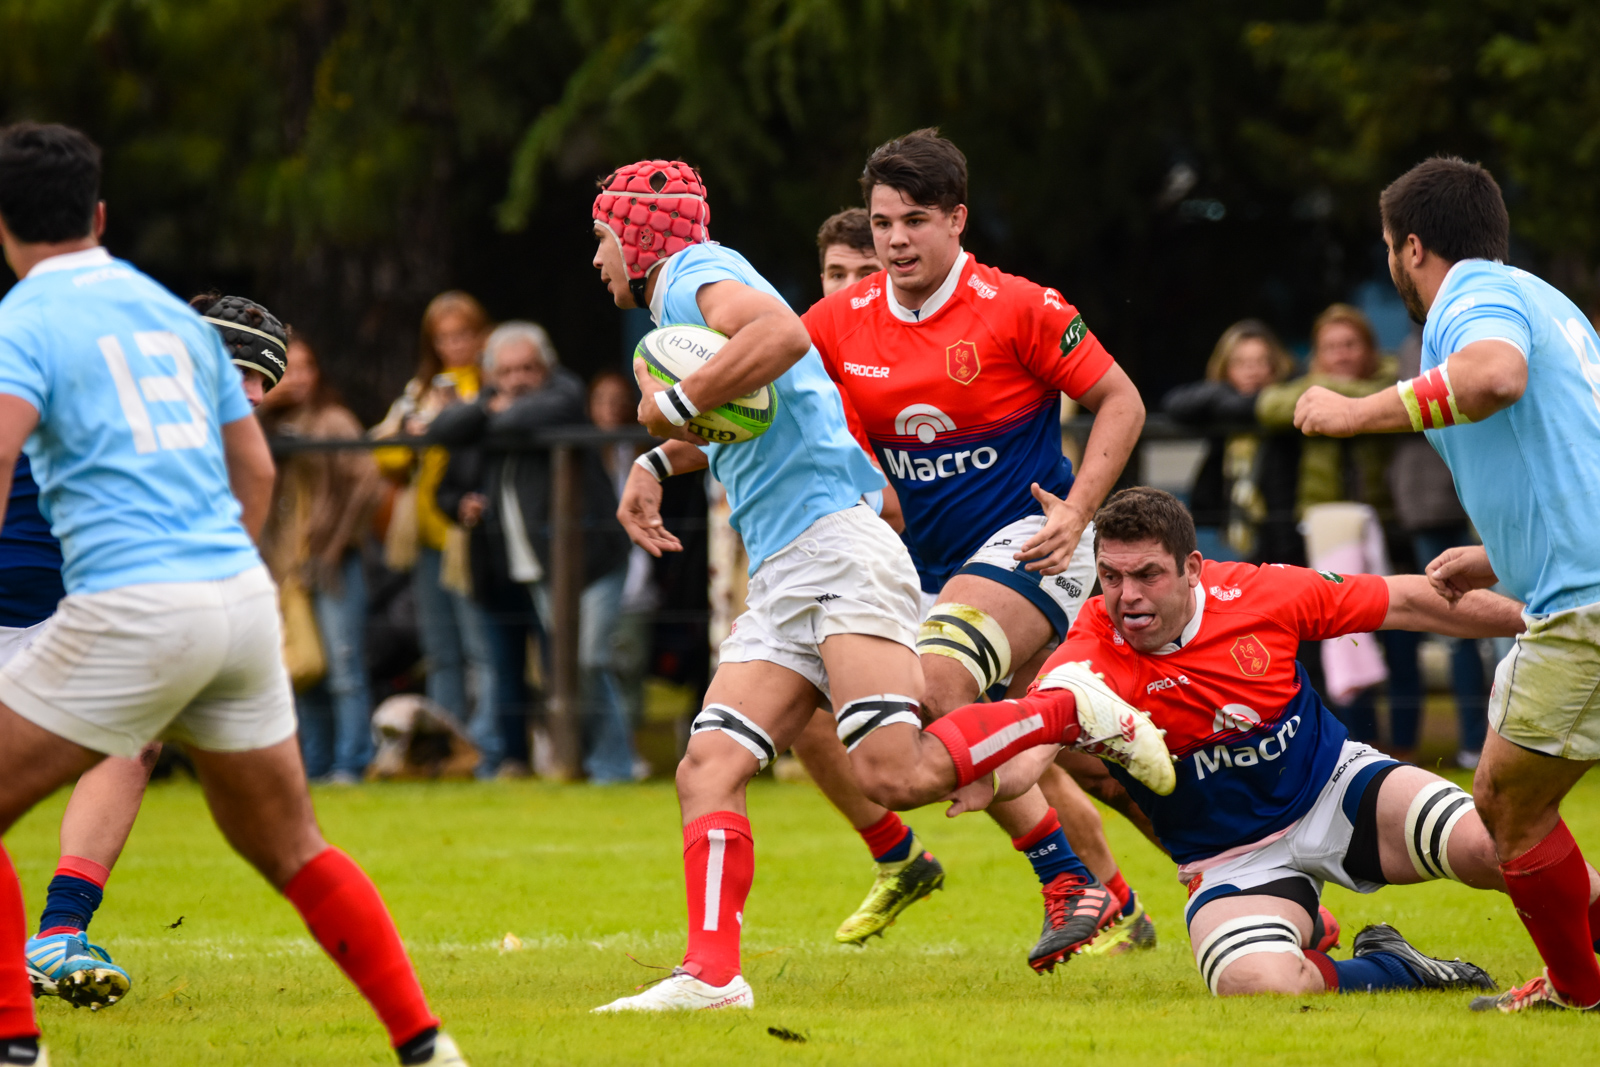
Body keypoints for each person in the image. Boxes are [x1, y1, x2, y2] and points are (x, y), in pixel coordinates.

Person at [583, 158, 1128, 1013]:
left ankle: (1065, 718)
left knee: (894, 769)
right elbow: (765, 398)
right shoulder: (712, 299)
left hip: (840, 555)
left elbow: (778, 338)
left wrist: (673, 404)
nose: (597, 261)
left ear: (640, 240)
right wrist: (660, 455)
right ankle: (713, 975)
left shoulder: (697, 275)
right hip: (788, 571)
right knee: (709, 763)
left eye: (603, 241)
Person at [0, 123, 465, 1065]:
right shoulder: (172, 315)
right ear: (98, 216)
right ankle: (427, 1047)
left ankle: (16, 1044)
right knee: (294, 845)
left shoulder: (25, 322)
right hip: (235, 599)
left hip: (128, 604)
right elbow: (251, 468)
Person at [930, 488, 1536, 999]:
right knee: (1257, 984)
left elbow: (1408, 600)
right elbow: (1033, 748)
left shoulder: (1259, 595)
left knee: (1498, 848)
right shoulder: (1088, 653)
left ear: (1192, 568)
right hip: (1232, 859)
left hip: (1335, 791)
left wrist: (1539, 622)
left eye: (1148, 575)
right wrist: (992, 775)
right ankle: (1394, 968)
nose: (1127, 596)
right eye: (1111, 577)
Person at [802, 130, 1155, 970]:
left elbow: (1121, 400)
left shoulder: (1020, 307)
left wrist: (1077, 511)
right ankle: (1113, 884)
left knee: (939, 688)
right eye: (882, 221)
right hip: (912, 568)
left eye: (914, 220)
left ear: (957, 220)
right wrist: (657, 453)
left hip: (1031, 542)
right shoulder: (838, 320)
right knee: (1083, 758)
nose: (893, 241)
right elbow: (756, 392)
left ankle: (1071, 877)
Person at [1293, 155, 1600, 1014]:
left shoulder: (1470, 297)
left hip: (1586, 602)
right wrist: (1492, 554)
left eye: (1390, 249)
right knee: (1515, 802)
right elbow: (1571, 462)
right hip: (1574, 582)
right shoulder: (1550, 302)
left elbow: (1494, 379)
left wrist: (1358, 410)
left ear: (1412, 248)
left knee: (1506, 805)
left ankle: (1580, 991)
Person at [18, 291, 291, 1009]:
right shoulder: (79, 373)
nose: (253, 400)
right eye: (241, 376)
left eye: (265, 387)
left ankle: (58, 933)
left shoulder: (207, 444)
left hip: (76, 614)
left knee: (135, 740)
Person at [431, 322, 635, 781]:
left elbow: (521, 418)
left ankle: (614, 764)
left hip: (594, 560)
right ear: (489, 374)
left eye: (528, 368)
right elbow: (441, 430)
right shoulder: (491, 405)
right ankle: (585, 762)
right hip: (540, 568)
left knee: (587, 659)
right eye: (506, 372)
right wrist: (487, 408)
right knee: (563, 669)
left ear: (546, 367)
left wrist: (489, 412)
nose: (518, 379)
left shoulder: (565, 394)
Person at [1259, 305, 1412, 746]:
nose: (1341, 355)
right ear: (1317, 355)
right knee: (1342, 636)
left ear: (1368, 347)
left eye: (1350, 345)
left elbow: (1402, 394)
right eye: (1331, 348)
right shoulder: (1306, 389)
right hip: (1326, 534)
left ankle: (1406, 744)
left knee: (1401, 633)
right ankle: (1353, 741)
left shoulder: (1392, 381)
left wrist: (1349, 403)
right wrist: (1333, 394)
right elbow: (1269, 404)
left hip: (1387, 526)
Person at [372, 292, 495, 771]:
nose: (452, 345)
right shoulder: (418, 388)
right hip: (424, 532)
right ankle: (442, 747)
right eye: (442, 338)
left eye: (461, 334)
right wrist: (410, 433)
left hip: (465, 535)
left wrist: (446, 423)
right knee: (440, 650)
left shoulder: (487, 383)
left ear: (479, 336)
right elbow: (386, 457)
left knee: (480, 647)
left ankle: (482, 748)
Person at [257, 331, 382, 783]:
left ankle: (352, 761)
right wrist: (266, 410)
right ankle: (314, 764)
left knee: (345, 666)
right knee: (303, 668)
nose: (298, 379)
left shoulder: (334, 421)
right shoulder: (256, 425)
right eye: (287, 369)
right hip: (280, 567)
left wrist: (333, 542)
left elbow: (367, 484)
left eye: (306, 367)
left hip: (332, 565)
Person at [1387, 329, 1487, 769]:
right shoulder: (1422, 338)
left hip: (1453, 500)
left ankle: (1479, 742)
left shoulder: (1453, 332)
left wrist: (1352, 412)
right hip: (1426, 502)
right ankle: (1472, 742)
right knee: (1448, 620)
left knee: (1463, 623)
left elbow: (1421, 403)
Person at [1162, 320, 1299, 564]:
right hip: (1226, 538)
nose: (1252, 370)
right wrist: (1223, 398)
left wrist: (1250, 406)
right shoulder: (1217, 404)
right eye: (1241, 363)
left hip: (1284, 536)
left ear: (1275, 365)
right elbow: (1173, 404)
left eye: (1260, 362)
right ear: (1225, 367)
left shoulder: (1290, 404)